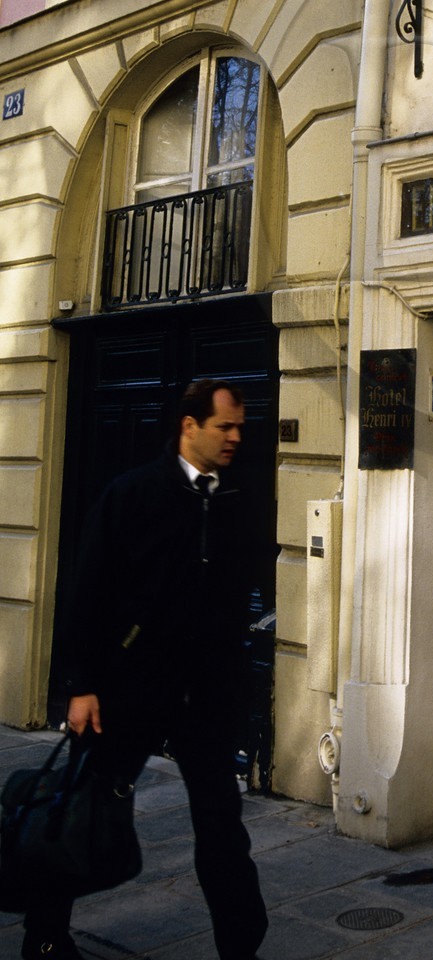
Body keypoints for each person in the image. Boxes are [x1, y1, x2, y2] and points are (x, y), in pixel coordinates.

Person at [24, 379, 269, 960]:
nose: (236, 437)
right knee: (82, 812)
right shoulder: (131, 494)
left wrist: (233, 677)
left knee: (222, 830)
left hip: (204, 696)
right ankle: (46, 937)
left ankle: (241, 949)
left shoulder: (237, 497)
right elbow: (87, 593)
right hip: (128, 689)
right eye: (224, 427)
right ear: (189, 426)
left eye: (239, 428)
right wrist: (80, 687)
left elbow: (241, 592)